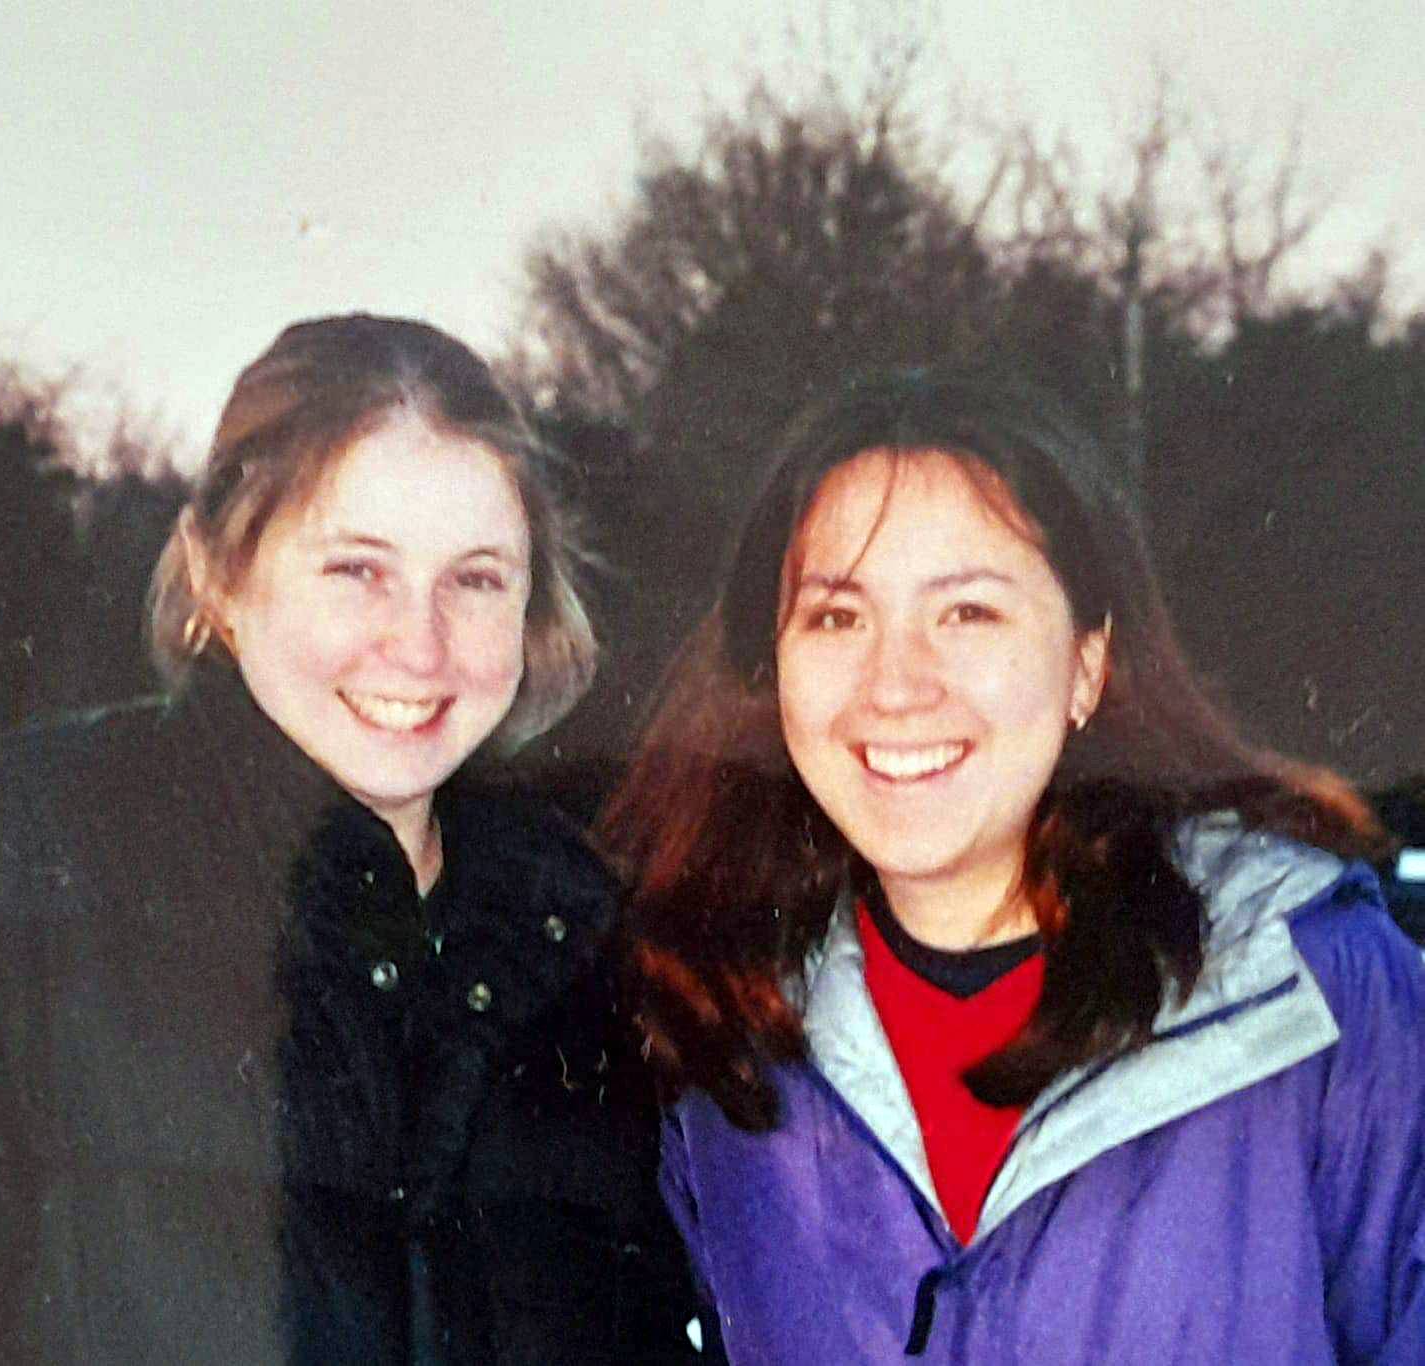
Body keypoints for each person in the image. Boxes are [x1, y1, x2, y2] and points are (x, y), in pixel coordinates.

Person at [0, 315, 704, 1363]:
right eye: (357, 569)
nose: (420, 643)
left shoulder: (585, 939)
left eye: (475, 578)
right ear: (220, 571)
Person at [602, 366, 1425, 1362]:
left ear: (1089, 662)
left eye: (968, 613)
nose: (895, 686)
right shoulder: (719, 1039)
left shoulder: (1318, 992)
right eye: (836, 616)